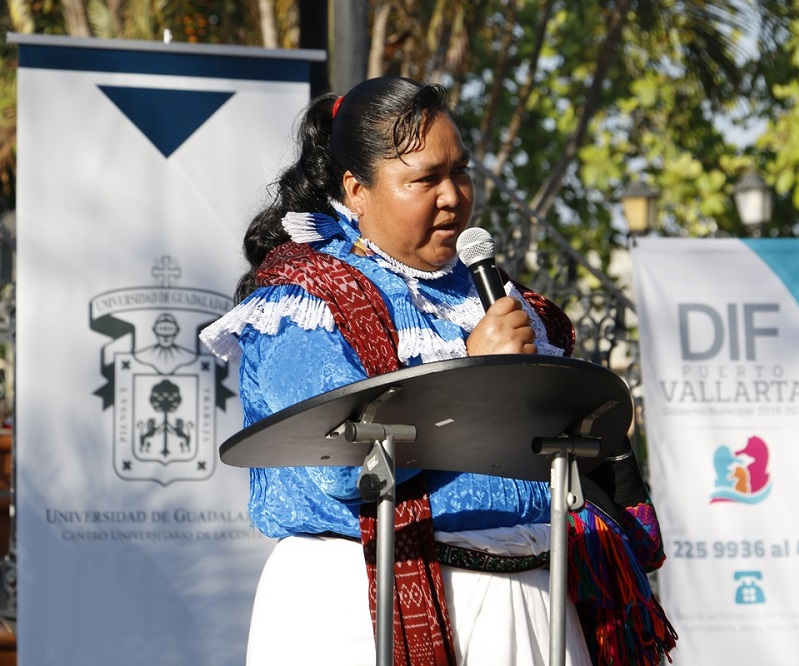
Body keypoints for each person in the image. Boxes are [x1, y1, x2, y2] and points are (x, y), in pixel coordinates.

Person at [200, 75, 675, 666]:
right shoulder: (303, 297)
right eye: (425, 179)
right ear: (356, 190)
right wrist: (472, 372)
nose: (452, 196)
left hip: (530, 599)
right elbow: (340, 466)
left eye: (461, 171)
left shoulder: (497, 296)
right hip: (358, 603)